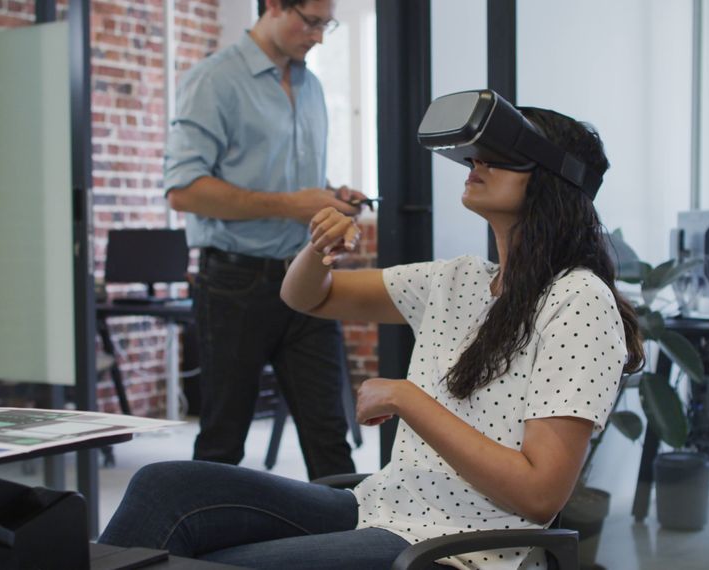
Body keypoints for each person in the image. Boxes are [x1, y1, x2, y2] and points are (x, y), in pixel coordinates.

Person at [102, 106, 645, 570]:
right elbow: (307, 297)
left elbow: (539, 493)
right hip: (378, 507)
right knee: (164, 486)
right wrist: (317, 251)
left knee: (208, 564)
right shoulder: (457, 280)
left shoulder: (578, 300)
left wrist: (407, 398)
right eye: (477, 152)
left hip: (454, 550)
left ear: (552, 181)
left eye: (500, 155)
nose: (477, 162)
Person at [164, 0, 362, 478]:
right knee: (223, 438)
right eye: (311, 21)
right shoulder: (214, 81)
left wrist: (331, 195)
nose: (318, 36)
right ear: (273, 4)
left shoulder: (311, 86)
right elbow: (183, 191)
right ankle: (204, 552)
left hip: (308, 278)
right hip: (235, 282)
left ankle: (351, 550)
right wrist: (291, 204)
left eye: (326, 25)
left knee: (329, 438)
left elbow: (289, 178)